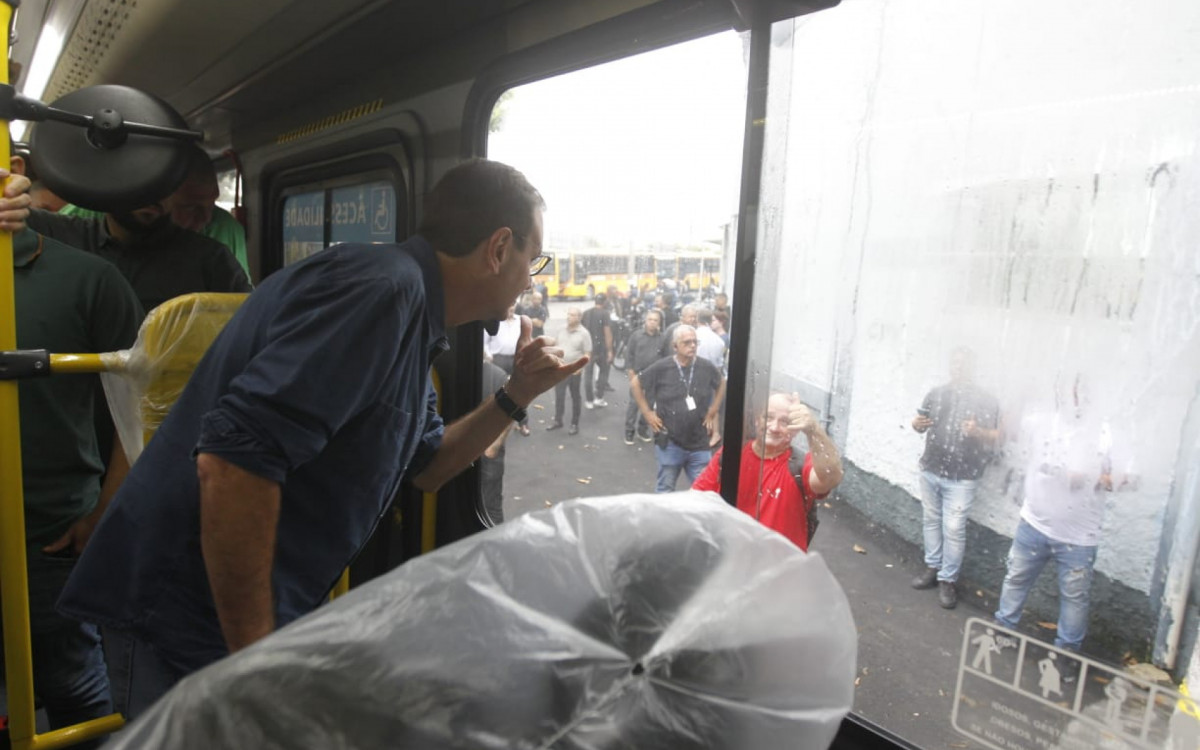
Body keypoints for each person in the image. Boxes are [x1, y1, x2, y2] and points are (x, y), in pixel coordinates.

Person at [55, 159, 587, 719]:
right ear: (499, 247)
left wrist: (516, 394)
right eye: (535, 257)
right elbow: (233, 463)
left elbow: (429, 466)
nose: (535, 277)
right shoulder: (378, 292)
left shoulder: (412, 315)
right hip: (184, 610)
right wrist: (254, 662)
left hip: (229, 606)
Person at [7, 153, 143, 745]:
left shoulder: (89, 280)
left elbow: (141, 407)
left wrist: (104, 513)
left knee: (74, 685)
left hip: (51, 529)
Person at [993, 385, 1134, 654]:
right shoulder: (1044, 421)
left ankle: (1066, 652)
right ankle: (1003, 629)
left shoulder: (1107, 433)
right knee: (1016, 578)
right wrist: (1020, 387)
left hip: (1079, 538)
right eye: (1071, 391)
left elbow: (1131, 477)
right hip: (1032, 523)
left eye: (1082, 392)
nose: (1075, 398)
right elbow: (1007, 433)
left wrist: (1092, 477)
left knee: (1074, 599)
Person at [27, 197, 252, 314]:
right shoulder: (56, 234)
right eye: (135, 177)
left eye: (163, 181)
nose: (151, 195)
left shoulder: (211, 260)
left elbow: (246, 336)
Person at [60, 145, 251, 277]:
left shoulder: (226, 229)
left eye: (211, 204)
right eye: (190, 207)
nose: (206, 219)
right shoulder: (78, 217)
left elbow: (235, 307)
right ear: (153, 197)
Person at [692, 393, 843, 551]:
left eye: (784, 422)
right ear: (758, 420)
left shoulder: (801, 465)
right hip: (734, 563)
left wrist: (813, 430)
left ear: (795, 430)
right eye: (768, 417)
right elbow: (696, 498)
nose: (774, 427)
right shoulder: (731, 454)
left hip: (781, 571)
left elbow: (830, 477)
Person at [910, 347, 1001, 609]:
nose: (958, 368)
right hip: (931, 468)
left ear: (973, 367)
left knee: (953, 528)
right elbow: (919, 424)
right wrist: (916, 424)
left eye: (964, 363)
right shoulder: (936, 394)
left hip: (963, 476)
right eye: (955, 363)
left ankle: (948, 580)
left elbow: (997, 436)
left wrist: (978, 431)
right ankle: (932, 567)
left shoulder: (986, 400)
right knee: (931, 520)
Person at [631, 325, 725, 492]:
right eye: (687, 342)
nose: (693, 346)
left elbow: (721, 383)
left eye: (695, 342)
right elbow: (636, 383)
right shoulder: (662, 367)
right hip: (670, 443)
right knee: (666, 490)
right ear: (675, 346)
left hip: (699, 442)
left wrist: (714, 408)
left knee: (705, 492)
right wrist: (647, 413)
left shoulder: (706, 366)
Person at [484, 306, 529, 435]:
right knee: (498, 391)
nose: (511, 308)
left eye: (513, 305)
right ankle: (498, 424)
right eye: (508, 305)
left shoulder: (521, 320)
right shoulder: (495, 321)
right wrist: (488, 354)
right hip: (498, 359)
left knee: (521, 390)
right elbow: (485, 342)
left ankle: (523, 423)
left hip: (516, 358)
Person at [622, 308, 666, 445]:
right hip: (638, 376)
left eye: (655, 320)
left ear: (659, 323)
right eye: (650, 319)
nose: (652, 322)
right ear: (645, 321)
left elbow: (665, 358)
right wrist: (630, 373)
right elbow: (629, 355)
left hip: (654, 378)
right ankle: (629, 431)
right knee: (634, 404)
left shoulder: (662, 338)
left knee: (649, 405)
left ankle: (642, 429)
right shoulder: (636, 336)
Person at [547, 306, 591, 436]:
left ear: (579, 317)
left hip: (574, 371)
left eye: (572, 315)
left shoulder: (584, 333)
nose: (568, 317)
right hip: (560, 369)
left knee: (575, 397)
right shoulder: (560, 329)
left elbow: (587, 354)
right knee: (559, 396)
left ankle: (574, 424)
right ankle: (558, 420)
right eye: (568, 314)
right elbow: (554, 346)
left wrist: (581, 368)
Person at [479, 360, 513, 524]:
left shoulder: (497, 376)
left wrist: (494, 446)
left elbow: (513, 410)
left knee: (490, 504)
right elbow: (513, 410)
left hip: (488, 456)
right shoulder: (497, 374)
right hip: (488, 454)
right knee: (491, 506)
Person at [581, 292, 613, 407]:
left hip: (589, 348)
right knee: (604, 372)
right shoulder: (605, 314)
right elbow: (607, 332)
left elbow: (582, 332)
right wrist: (610, 350)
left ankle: (589, 400)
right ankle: (599, 398)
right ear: (604, 302)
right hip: (601, 348)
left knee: (588, 374)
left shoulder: (586, 313)